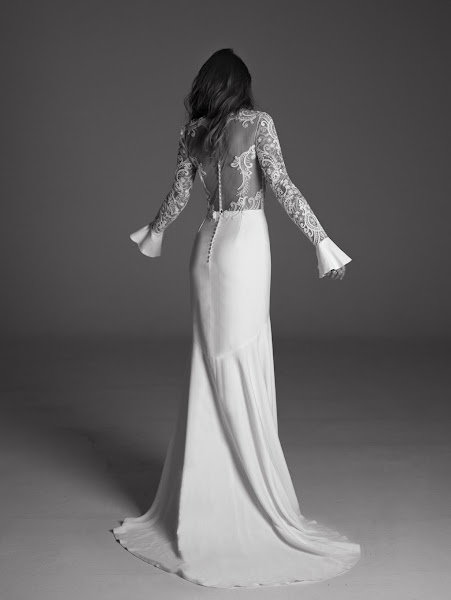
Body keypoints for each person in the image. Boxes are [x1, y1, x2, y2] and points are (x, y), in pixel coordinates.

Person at [113, 48, 360, 588]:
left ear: (207, 85)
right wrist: (323, 243)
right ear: (241, 85)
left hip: (205, 248)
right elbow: (284, 187)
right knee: (243, 359)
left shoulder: (193, 133)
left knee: (209, 366)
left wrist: (154, 231)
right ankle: (248, 494)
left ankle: (207, 496)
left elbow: (179, 196)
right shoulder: (258, 123)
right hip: (244, 249)